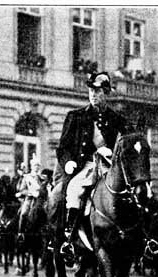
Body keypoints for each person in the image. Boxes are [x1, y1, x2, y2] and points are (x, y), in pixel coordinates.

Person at [55, 71, 129, 259]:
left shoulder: (118, 120)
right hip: (85, 166)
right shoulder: (76, 117)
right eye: (91, 91)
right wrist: (68, 162)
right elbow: (63, 147)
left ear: (106, 93)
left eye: (98, 91)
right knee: (73, 190)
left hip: (109, 167)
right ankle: (68, 239)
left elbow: (128, 146)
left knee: (129, 194)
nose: (93, 95)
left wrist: (113, 154)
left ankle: (140, 240)